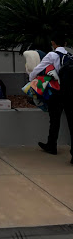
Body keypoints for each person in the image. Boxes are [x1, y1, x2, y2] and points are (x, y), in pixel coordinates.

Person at [28, 34, 73, 164]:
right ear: (65, 43)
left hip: (57, 91)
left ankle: (51, 145)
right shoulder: (70, 56)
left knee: (54, 119)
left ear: (53, 43)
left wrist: (31, 80)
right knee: (71, 121)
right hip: (71, 92)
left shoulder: (52, 55)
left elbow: (38, 69)